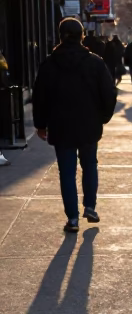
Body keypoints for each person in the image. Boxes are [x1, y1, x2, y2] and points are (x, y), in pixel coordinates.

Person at [32, 16, 118, 233]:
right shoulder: (95, 63)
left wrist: (41, 124)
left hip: (61, 126)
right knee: (89, 165)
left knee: (67, 172)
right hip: (89, 124)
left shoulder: (49, 64)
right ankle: (90, 206)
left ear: (60, 36)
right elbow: (109, 94)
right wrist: (103, 117)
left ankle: (72, 219)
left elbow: (40, 97)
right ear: (82, 36)